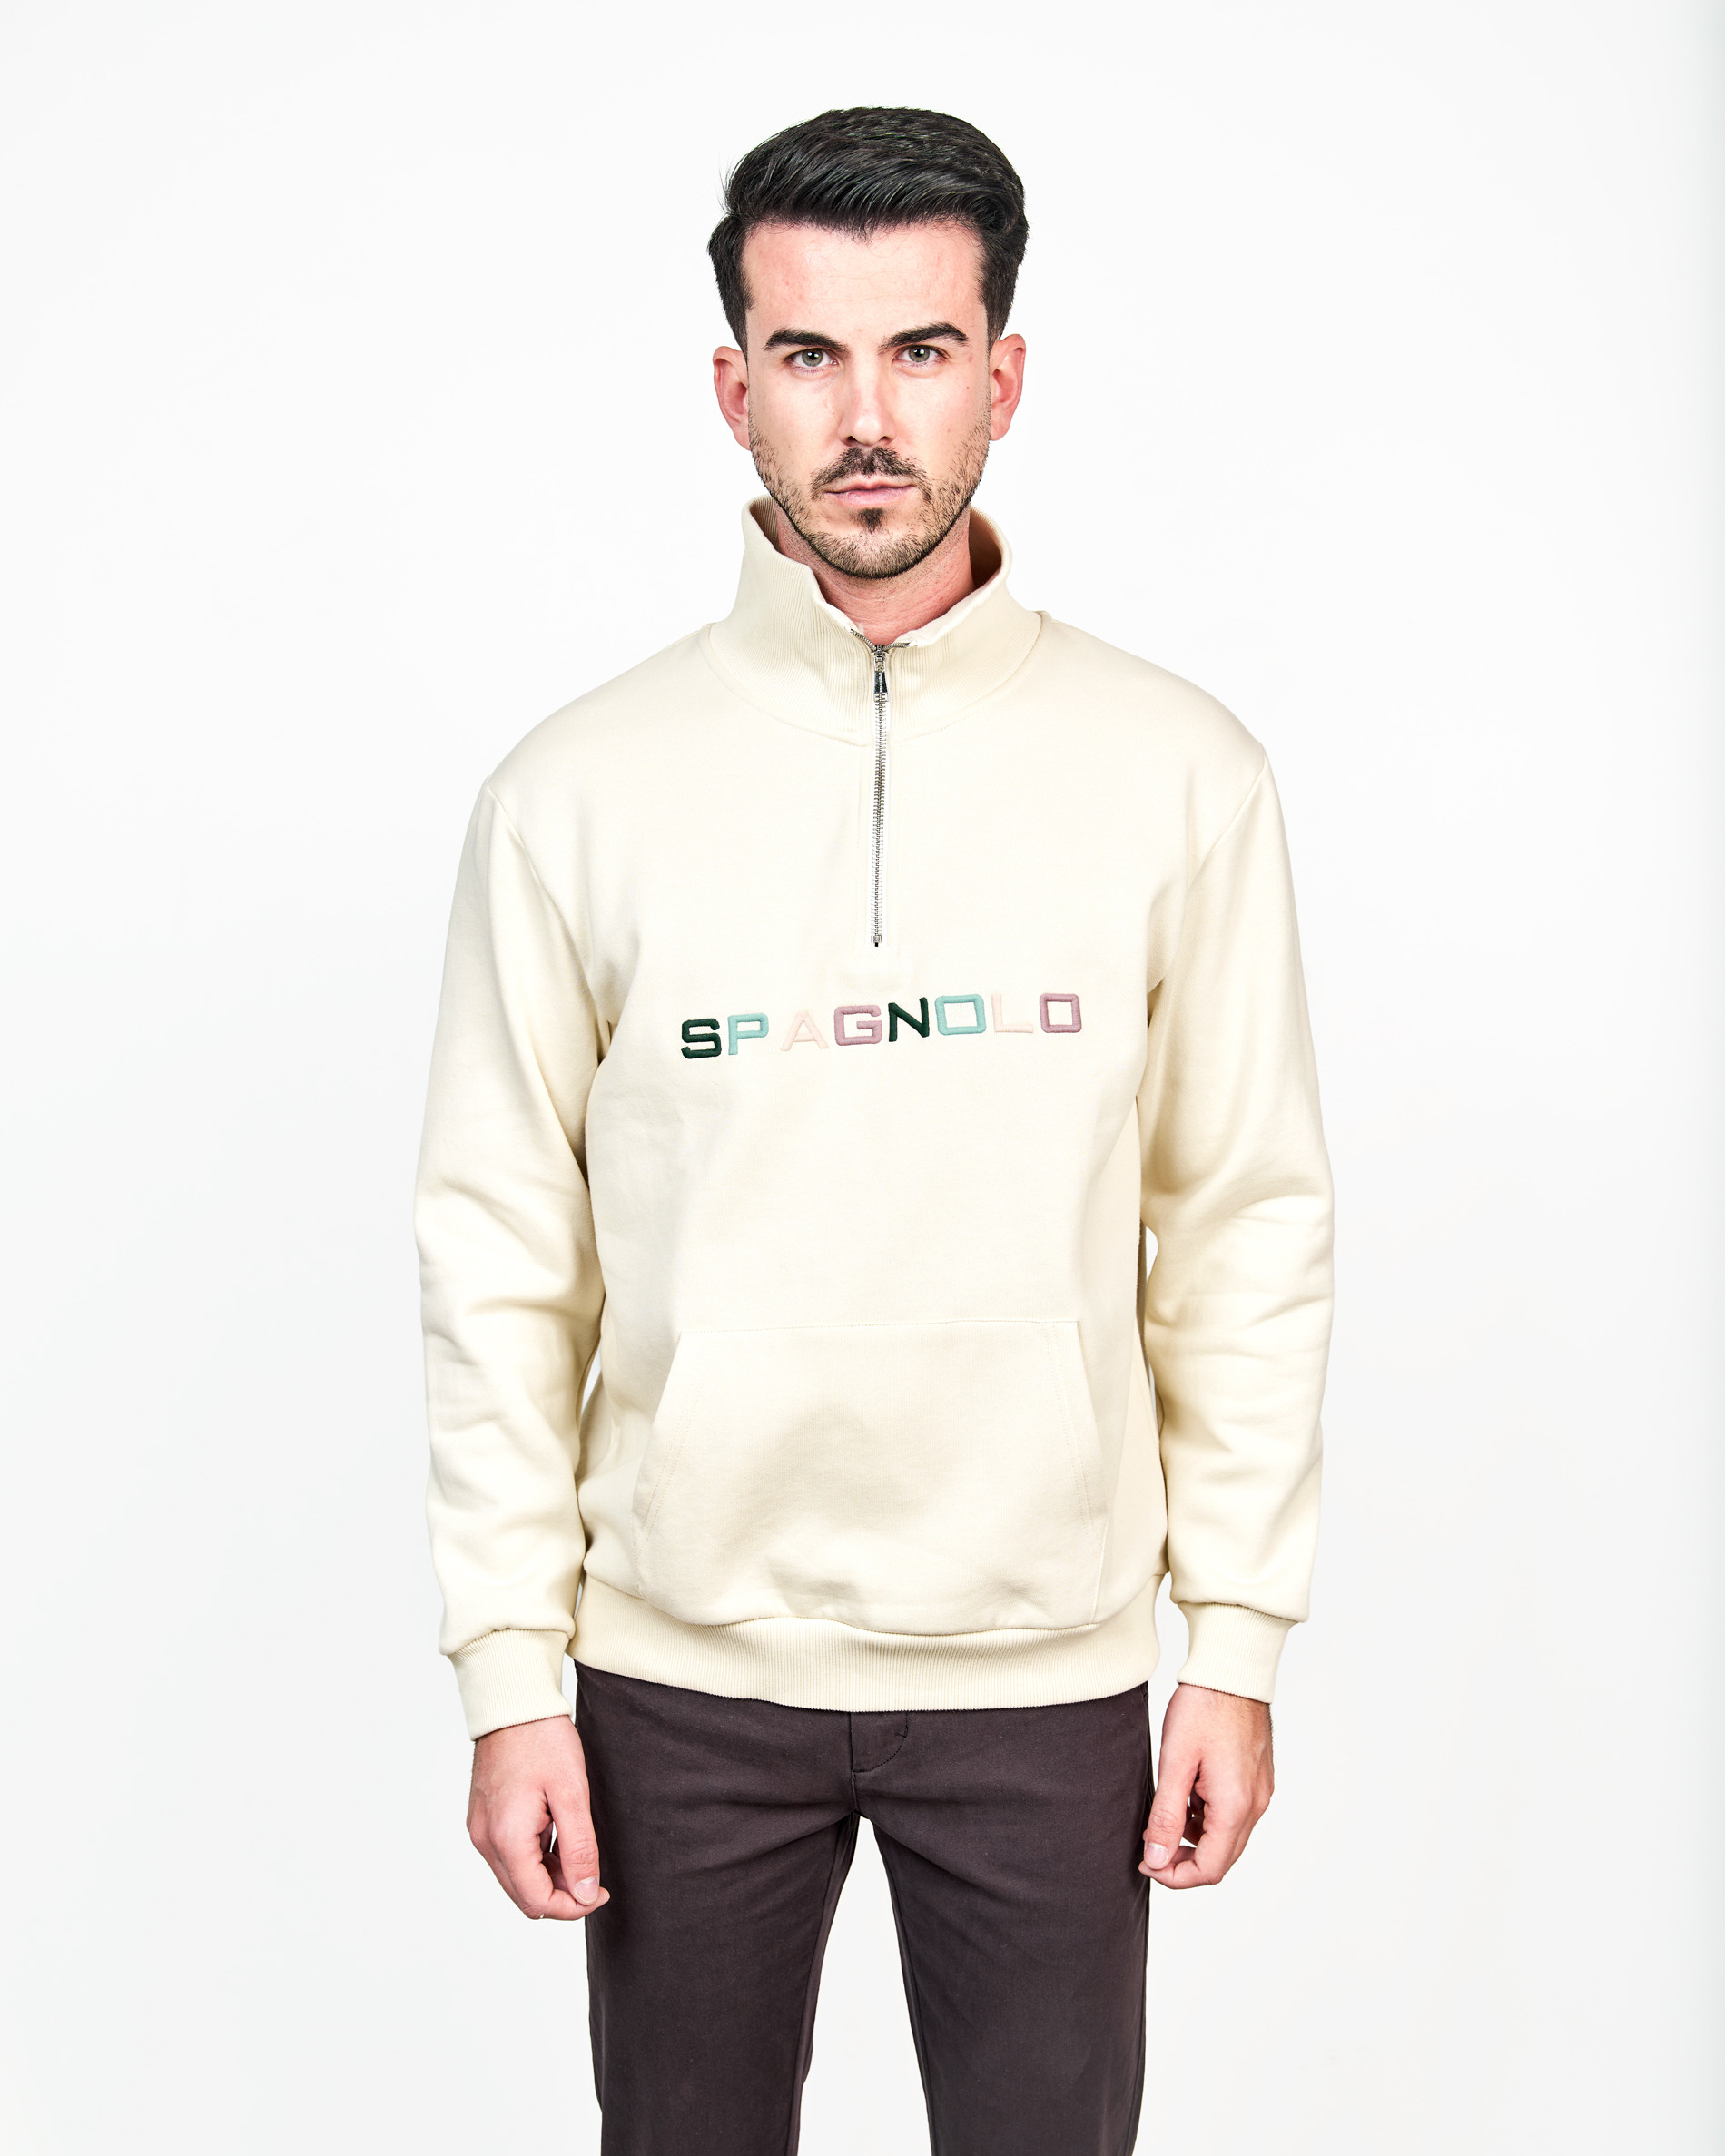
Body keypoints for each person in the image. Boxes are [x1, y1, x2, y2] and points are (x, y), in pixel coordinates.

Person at [416, 105, 1334, 2156]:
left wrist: (1233, 1642)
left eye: (918, 351)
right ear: (730, 388)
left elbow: (1244, 1222)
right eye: (808, 356)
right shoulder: (575, 794)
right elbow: (498, 1260)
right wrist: (511, 1675)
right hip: (677, 1679)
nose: (864, 418)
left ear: (1002, 377)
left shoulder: (1178, 772)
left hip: (1045, 1672)